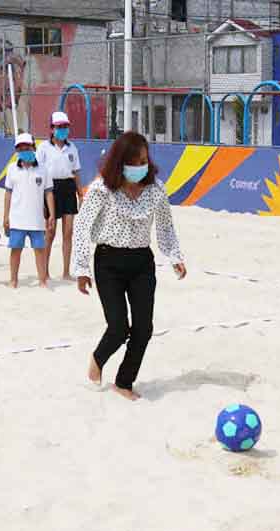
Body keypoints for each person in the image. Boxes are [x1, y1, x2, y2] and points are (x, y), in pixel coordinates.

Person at [74, 132, 187, 401]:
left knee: (143, 328)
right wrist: (81, 268)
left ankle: (124, 381)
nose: (140, 167)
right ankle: (98, 358)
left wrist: (175, 257)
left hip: (141, 264)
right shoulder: (102, 189)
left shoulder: (156, 189)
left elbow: (165, 227)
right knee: (117, 327)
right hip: (108, 262)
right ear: (120, 161)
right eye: (134, 161)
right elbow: (82, 226)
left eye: (144, 161)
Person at [4, 133, 55, 288]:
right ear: (17, 151)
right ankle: (13, 280)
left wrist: (52, 214)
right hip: (17, 218)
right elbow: (8, 194)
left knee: (39, 250)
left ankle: (42, 280)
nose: (25, 150)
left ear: (34, 147)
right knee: (15, 250)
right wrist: (6, 216)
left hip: (37, 219)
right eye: (21, 148)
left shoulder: (43, 169)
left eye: (27, 147)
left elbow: (48, 192)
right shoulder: (12, 169)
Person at [37, 111, 82, 281]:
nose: (63, 129)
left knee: (68, 232)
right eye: (59, 126)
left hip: (68, 187)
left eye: (65, 126)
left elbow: (77, 171)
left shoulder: (72, 148)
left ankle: (65, 272)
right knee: (50, 232)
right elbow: (38, 172)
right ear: (51, 128)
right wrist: (39, 196)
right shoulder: (43, 147)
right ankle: (45, 271)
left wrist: (80, 193)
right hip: (50, 189)